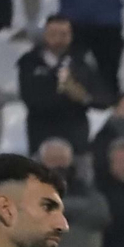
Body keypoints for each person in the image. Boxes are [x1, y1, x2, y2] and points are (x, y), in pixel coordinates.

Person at [19, 15, 101, 153]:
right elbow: (30, 98)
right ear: (45, 35)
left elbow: (99, 97)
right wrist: (65, 92)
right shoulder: (29, 62)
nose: (58, 39)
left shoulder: (82, 62)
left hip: (76, 140)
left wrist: (82, 96)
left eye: (63, 34)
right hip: (42, 137)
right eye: (53, 34)